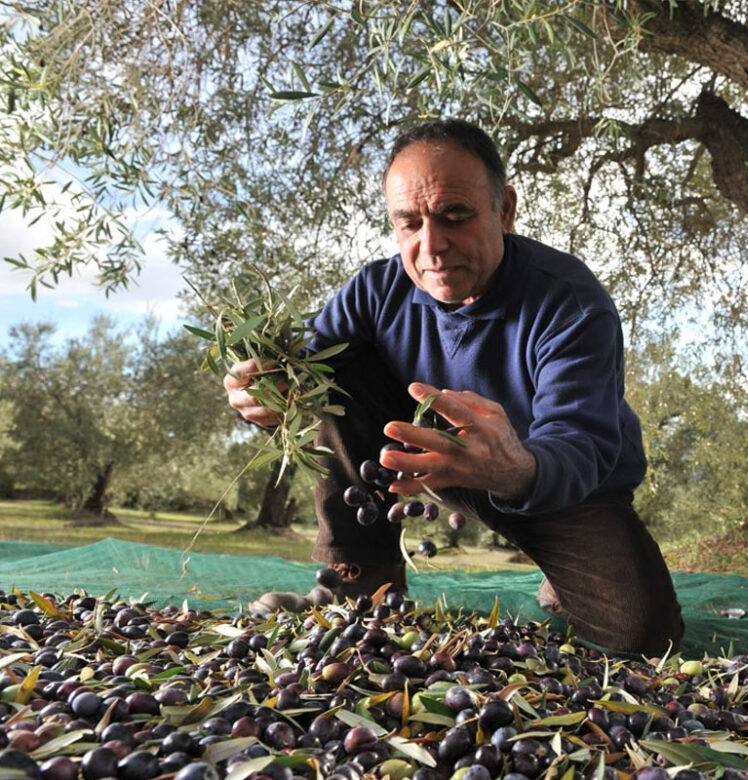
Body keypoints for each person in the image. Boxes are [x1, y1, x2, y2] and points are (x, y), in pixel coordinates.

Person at [225, 119, 683, 655]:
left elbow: (581, 446)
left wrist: (516, 469)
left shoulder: (570, 303)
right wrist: (264, 390)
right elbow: (298, 367)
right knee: (330, 367)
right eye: (409, 224)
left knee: (641, 636)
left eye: (455, 216)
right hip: (424, 466)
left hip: (553, 484)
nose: (432, 246)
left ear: (504, 210)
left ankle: (559, 572)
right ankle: (360, 579)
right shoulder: (375, 291)